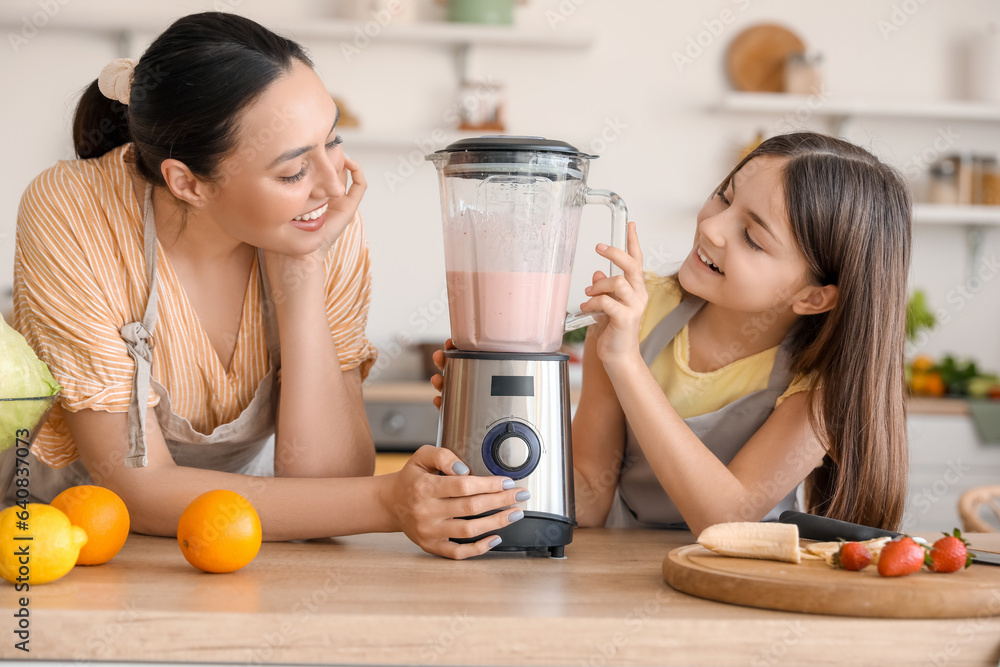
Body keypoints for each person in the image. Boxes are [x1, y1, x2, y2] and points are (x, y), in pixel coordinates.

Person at [3, 12, 528, 559]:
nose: (334, 184)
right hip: (75, 539)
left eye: (333, 141)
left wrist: (299, 274)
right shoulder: (72, 211)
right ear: (188, 183)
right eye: (292, 172)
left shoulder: (315, 214)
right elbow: (133, 484)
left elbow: (329, 480)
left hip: (245, 536)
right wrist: (388, 502)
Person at [571, 132, 911, 535]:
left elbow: (724, 520)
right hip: (618, 571)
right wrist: (504, 490)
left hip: (743, 580)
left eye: (752, 238)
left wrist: (626, 364)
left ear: (815, 296)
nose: (712, 227)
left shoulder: (821, 386)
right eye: (724, 197)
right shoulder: (636, 314)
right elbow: (591, 495)